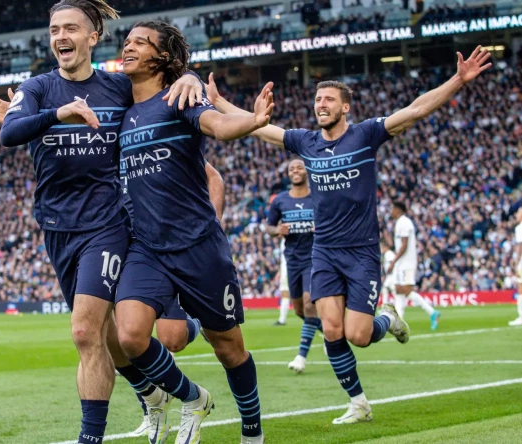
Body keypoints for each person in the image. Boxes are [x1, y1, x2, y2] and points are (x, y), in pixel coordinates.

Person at [205, 45, 492, 424]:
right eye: (318, 99)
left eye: (329, 100)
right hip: (323, 252)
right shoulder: (305, 141)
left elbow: (417, 109)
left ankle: (387, 319)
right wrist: (220, 102)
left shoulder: (366, 134)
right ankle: (358, 402)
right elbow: (261, 127)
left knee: (359, 334)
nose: (320, 104)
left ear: (346, 107)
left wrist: (458, 78)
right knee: (332, 329)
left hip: (361, 252)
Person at [0, 1, 203, 442]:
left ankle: (91, 437)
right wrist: (59, 114)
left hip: (109, 222)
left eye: (71, 28)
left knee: (83, 329)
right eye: (54, 29)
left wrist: (190, 77)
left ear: (93, 37)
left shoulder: (118, 87)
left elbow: (167, 86)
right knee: (108, 337)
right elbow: (9, 133)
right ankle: (162, 395)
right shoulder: (38, 88)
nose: (61, 36)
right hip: (58, 227)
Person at [113, 20, 273, 444]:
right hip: (147, 248)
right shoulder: (120, 110)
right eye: (126, 41)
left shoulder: (180, 98)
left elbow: (218, 127)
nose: (128, 47)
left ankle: (253, 432)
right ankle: (193, 398)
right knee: (128, 335)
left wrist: (252, 121)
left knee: (230, 349)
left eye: (140, 43)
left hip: (198, 246)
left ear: (163, 57)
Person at [127, 161, 225, 437]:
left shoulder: (149, 133)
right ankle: (152, 408)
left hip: (159, 247)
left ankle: (196, 323)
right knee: (115, 336)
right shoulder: (103, 140)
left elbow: (213, 177)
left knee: (172, 339)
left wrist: (214, 223)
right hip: (118, 245)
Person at [266, 159, 320, 374]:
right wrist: (278, 230)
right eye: (291, 169)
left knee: (309, 303)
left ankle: (301, 357)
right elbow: (269, 227)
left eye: (299, 167)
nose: (295, 171)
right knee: (299, 310)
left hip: (315, 258)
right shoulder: (280, 200)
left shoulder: (317, 197)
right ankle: (332, 334)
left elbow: (333, 219)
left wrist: (322, 227)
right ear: (288, 174)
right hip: (292, 260)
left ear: (307, 171)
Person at [388, 201, 441, 330]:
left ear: (398, 210)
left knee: (406, 290)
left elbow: (404, 245)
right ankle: (399, 322)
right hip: (402, 262)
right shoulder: (401, 222)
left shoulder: (404, 223)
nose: (391, 211)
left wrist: (394, 261)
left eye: (392, 209)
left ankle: (432, 312)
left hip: (406, 262)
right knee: (398, 289)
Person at [274, 239, 290, 326]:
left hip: (288, 270)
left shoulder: (287, 239)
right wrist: (280, 272)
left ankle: (282, 319)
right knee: (284, 293)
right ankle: (282, 319)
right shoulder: (283, 240)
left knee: (285, 293)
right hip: (285, 269)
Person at [510, 208, 522, 326]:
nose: (516, 215)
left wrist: (517, 262)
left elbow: (520, 247)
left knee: (521, 290)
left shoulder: (520, 228)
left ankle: (521, 316)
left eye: (518, 213)